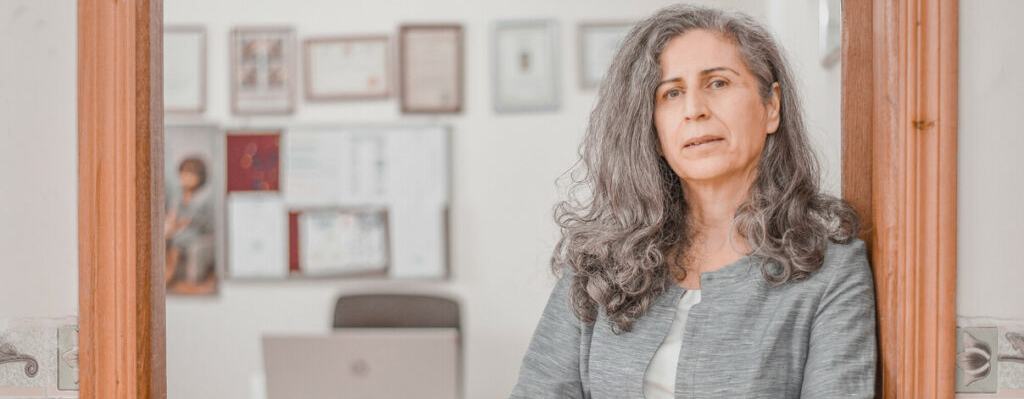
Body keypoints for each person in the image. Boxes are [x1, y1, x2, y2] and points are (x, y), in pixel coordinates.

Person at [510, 4, 877, 398]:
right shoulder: (598, 262)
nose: (695, 110)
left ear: (771, 106)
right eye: (671, 93)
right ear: (652, 129)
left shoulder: (830, 270)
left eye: (718, 83)